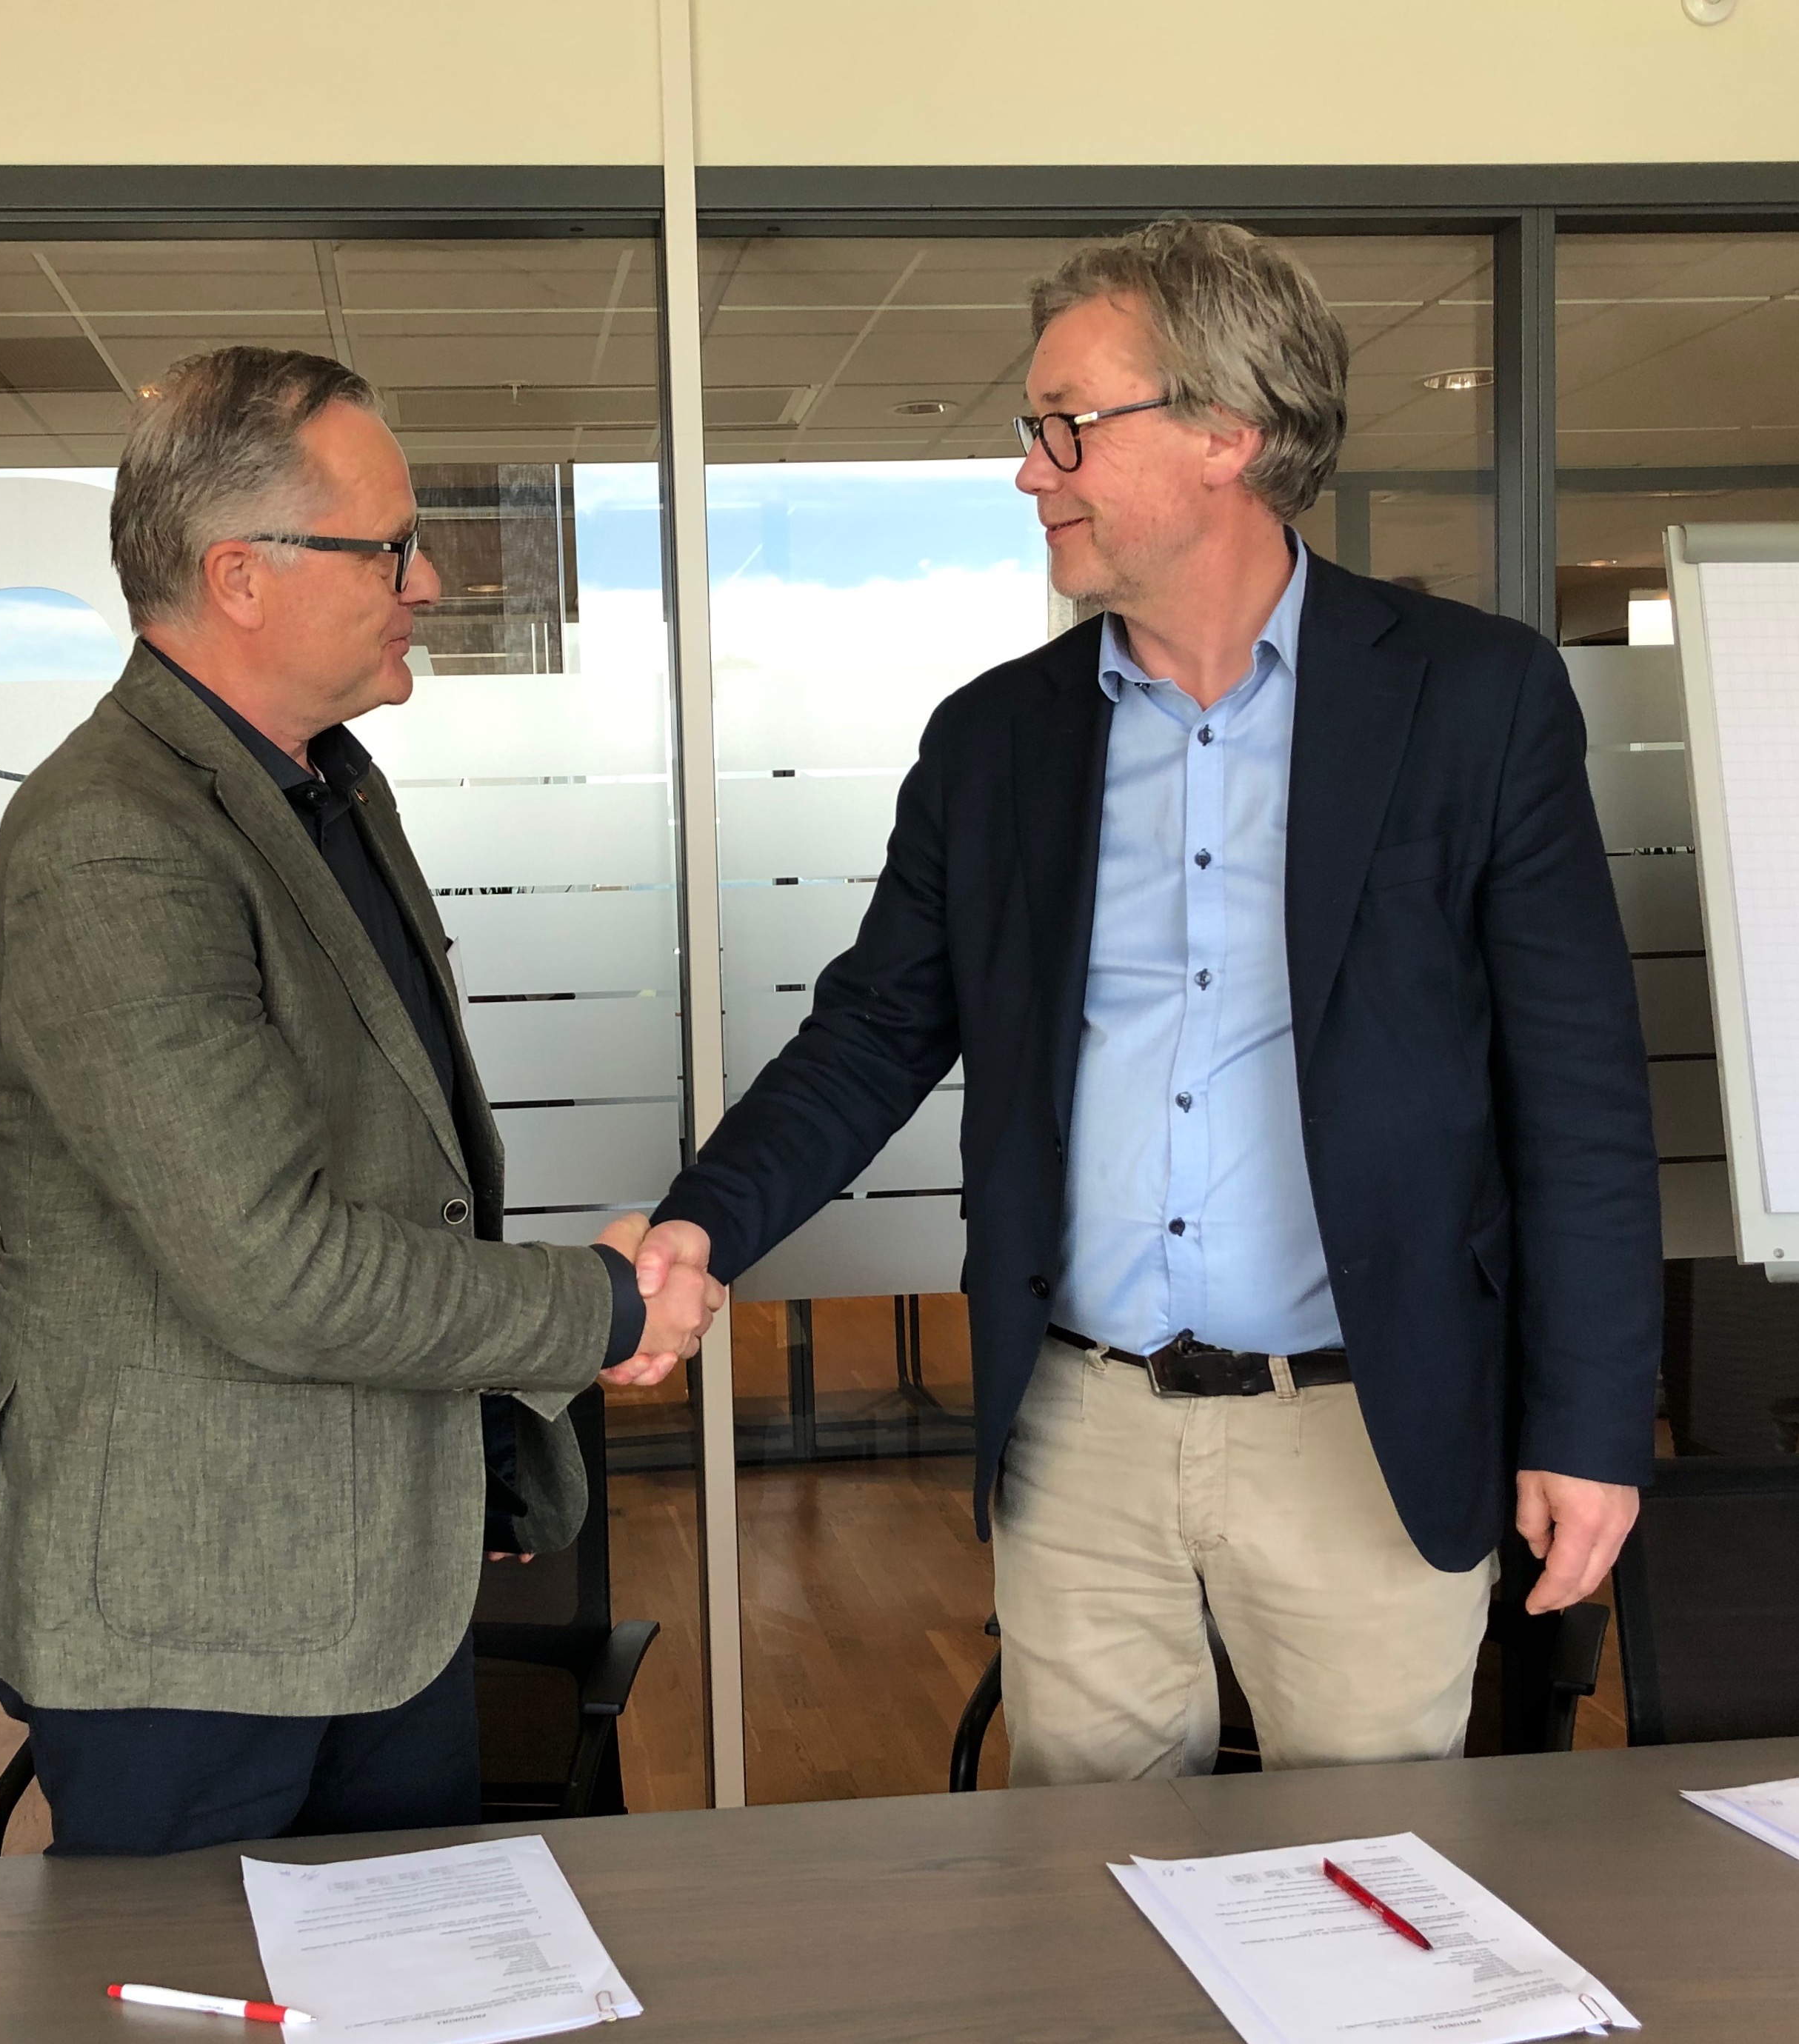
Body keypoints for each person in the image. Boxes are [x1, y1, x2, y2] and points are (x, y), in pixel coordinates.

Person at [619, 221, 1661, 1783]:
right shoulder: (994, 741)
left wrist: (1588, 1424)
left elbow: (1579, 1092)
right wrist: (704, 1222)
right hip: (1079, 1424)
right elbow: (874, 1031)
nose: (1029, 471)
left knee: (1369, 1875)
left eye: (1067, 426)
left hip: (1365, 1426)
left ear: (1227, 434)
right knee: (1087, 1884)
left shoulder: (1474, 697)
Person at [0, 346, 722, 1854]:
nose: (427, 581)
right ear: (239, 576)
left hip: (379, 1595)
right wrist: (603, 1306)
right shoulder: (113, 840)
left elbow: (403, 1176)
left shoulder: (329, 787)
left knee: (402, 1994)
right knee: (206, 2014)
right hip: (193, 1624)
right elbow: (275, 1269)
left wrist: (484, 1458)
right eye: (389, 547)